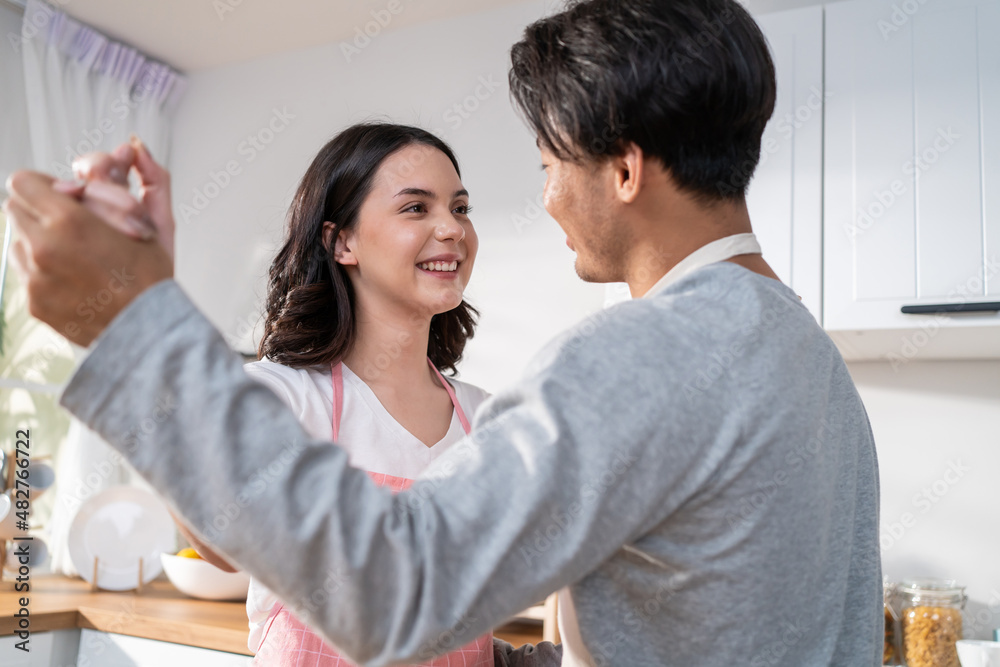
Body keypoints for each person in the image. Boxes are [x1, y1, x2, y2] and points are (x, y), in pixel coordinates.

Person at [3, 0, 883, 665]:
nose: (541, 201)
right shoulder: (810, 360)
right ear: (338, 243)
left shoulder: (638, 353)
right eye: (416, 207)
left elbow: (394, 585)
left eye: (547, 164)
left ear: (623, 168)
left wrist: (126, 319)